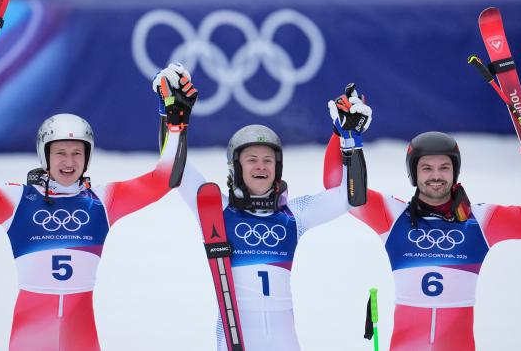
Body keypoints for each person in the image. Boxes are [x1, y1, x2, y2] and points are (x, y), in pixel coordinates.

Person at [0, 78, 197, 350]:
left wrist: (175, 123)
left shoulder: (103, 201)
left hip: (80, 335)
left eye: (76, 153)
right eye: (60, 152)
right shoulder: (17, 199)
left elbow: (164, 178)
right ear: (44, 154)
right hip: (30, 335)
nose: (69, 162)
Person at [152, 63, 372, 351]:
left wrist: (351, 143)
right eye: (251, 159)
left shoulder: (295, 215)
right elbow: (174, 171)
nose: (261, 166)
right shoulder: (214, 208)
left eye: (268, 160)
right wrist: (170, 120)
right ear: (235, 167)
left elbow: (350, 197)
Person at [323, 127, 521, 350]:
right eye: (426, 168)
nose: (436, 176)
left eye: (444, 167)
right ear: (413, 173)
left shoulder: (480, 221)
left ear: (455, 171)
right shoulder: (392, 216)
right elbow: (337, 186)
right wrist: (341, 133)